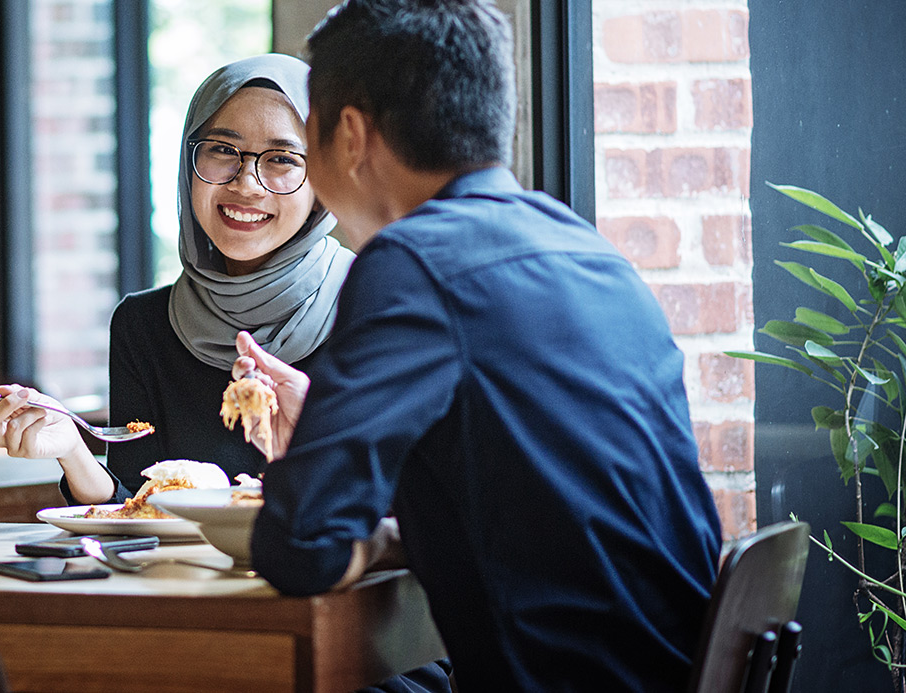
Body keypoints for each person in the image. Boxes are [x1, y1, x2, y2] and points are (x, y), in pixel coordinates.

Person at [231, 1, 724, 691]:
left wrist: (354, 529)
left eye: (306, 134)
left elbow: (297, 547)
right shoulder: (587, 251)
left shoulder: (413, 261)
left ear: (350, 135)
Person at [0, 54, 354, 506]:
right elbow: (138, 510)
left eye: (282, 158)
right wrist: (72, 452)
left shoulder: (372, 308)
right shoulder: (144, 325)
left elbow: (402, 508)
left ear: (322, 181)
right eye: (223, 150)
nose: (247, 184)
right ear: (188, 162)